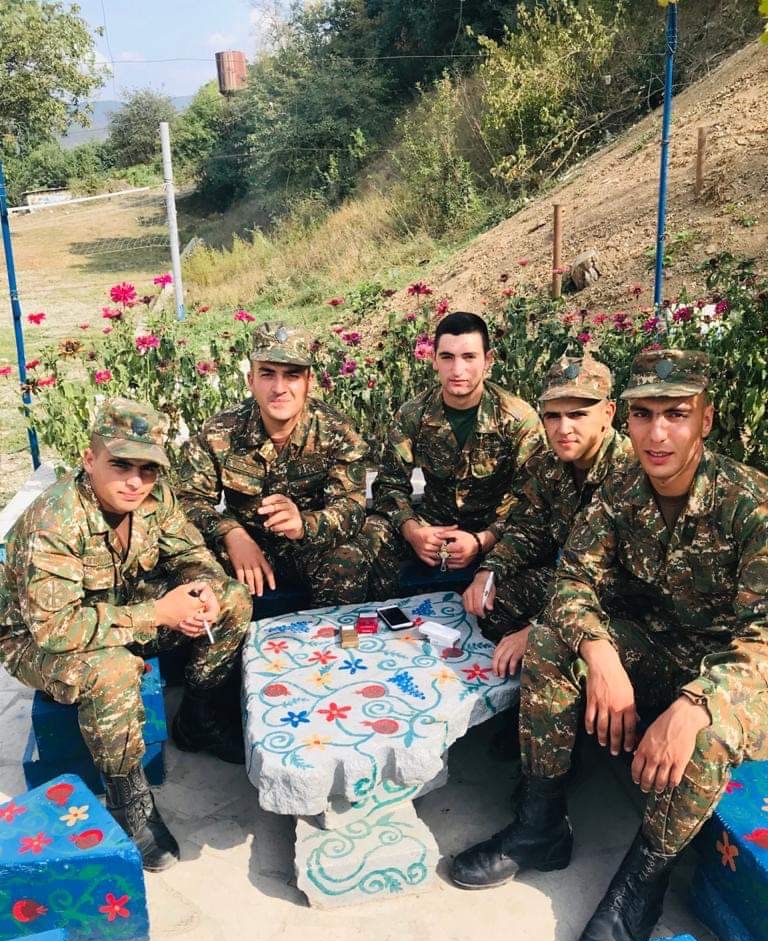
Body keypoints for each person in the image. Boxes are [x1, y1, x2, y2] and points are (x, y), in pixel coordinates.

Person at [450, 349, 768, 941]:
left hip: (735, 677)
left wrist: (695, 705)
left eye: (676, 414)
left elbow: (763, 637)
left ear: (705, 419)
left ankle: (643, 880)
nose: (657, 433)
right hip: (659, 647)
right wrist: (600, 654)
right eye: (643, 414)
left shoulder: (749, 504)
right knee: (553, 639)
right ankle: (541, 825)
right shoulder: (624, 491)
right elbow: (573, 579)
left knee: (706, 735)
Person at [0, 399, 252, 872]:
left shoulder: (155, 499)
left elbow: (191, 554)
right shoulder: (56, 520)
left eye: (147, 468)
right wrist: (158, 613)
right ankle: (128, 796)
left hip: (120, 605)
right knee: (112, 669)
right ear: (89, 459)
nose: (136, 481)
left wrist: (201, 590)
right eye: (121, 465)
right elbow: (56, 629)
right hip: (36, 639)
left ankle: (198, 718)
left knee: (232, 598)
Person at [176, 324, 373, 607]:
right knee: (195, 571)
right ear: (250, 380)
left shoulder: (336, 430)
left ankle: (333, 634)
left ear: (309, 381)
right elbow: (188, 500)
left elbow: (351, 507)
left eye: (292, 375)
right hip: (246, 546)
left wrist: (305, 524)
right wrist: (230, 533)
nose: (279, 389)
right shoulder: (220, 431)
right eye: (267, 374)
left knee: (347, 560)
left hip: (311, 545)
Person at [462, 353, 634, 678]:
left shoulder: (631, 473)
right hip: (566, 582)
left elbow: (620, 583)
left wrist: (538, 628)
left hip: (618, 602)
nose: (563, 429)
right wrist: (489, 571)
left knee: (543, 644)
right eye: (553, 416)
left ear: (608, 413)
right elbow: (527, 530)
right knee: (493, 604)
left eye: (577, 414)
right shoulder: (550, 464)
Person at [367, 311, 543, 594]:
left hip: (495, 532)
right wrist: (413, 531)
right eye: (447, 357)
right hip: (432, 530)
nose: (457, 370)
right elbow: (389, 484)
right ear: (434, 360)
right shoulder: (413, 415)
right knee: (371, 534)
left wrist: (483, 540)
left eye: (469, 357)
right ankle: (384, 613)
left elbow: (533, 500)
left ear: (488, 360)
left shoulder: (518, 419)